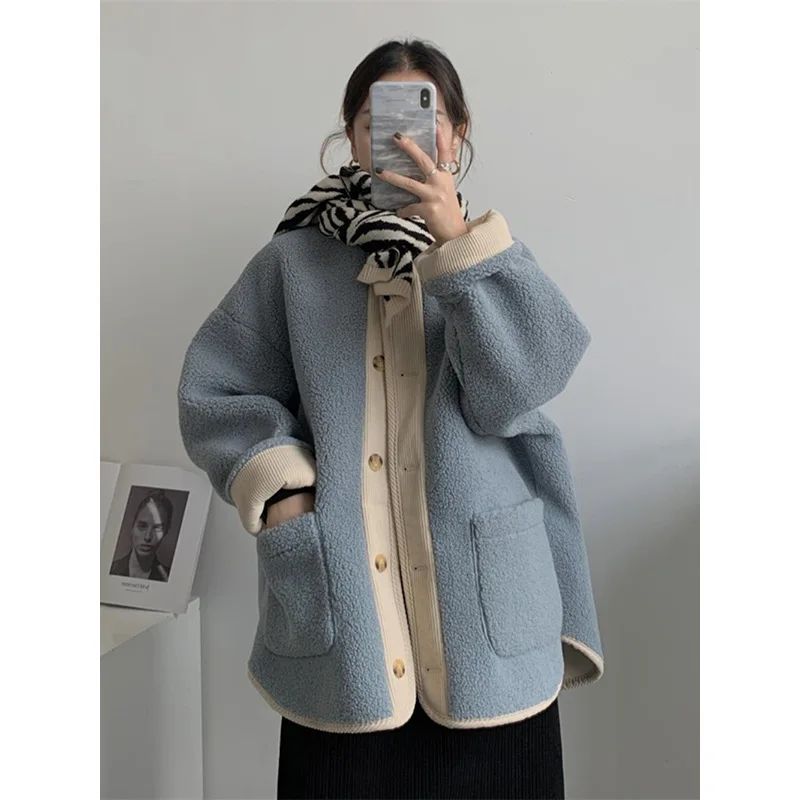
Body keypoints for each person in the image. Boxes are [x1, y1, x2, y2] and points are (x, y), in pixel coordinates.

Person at [178, 37, 604, 800]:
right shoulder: (291, 265)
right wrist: (284, 491)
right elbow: (217, 390)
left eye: (424, 118)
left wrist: (460, 250)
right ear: (351, 135)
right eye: (379, 121)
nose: (403, 138)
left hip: (488, 615)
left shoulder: (493, 260)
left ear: (457, 134)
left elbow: (520, 390)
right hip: (347, 617)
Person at [109, 489, 172, 582]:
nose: (147, 537)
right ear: (132, 526)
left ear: (166, 531)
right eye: (142, 526)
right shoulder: (110, 569)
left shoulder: (169, 578)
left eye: (157, 528)